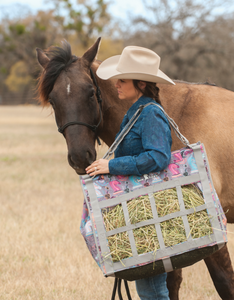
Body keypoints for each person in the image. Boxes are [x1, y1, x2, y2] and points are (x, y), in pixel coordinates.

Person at [86, 45, 175, 300]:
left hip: (151, 211)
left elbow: (158, 157)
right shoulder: (136, 112)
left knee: (153, 289)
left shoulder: (150, 114)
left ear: (142, 84)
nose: (116, 83)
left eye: (122, 79)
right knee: (147, 287)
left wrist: (111, 166)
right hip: (141, 209)